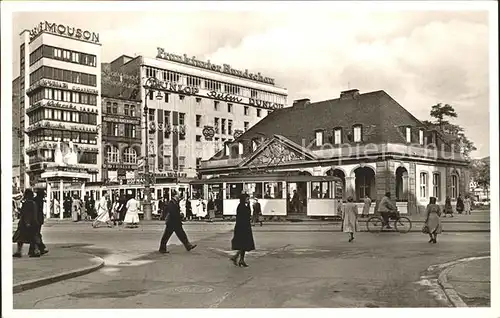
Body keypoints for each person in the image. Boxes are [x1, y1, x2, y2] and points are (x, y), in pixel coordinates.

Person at [13, 189, 41, 258]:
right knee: (34, 238)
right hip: (33, 222)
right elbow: (34, 214)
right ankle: (36, 251)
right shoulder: (34, 203)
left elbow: (26, 213)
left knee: (20, 238)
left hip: (25, 223)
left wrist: (27, 222)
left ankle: (19, 251)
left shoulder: (27, 203)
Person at [230, 194, 255, 267]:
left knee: (244, 244)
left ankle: (239, 258)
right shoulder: (241, 206)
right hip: (242, 227)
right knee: (243, 244)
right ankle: (239, 259)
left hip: (244, 227)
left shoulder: (243, 206)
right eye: (247, 199)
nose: (248, 200)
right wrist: (249, 206)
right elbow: (247, 215)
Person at [32, 189, 48, 255]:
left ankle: (39, 248)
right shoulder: (39, 200)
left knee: (36, 234)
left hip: (36, 218)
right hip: (39, 218)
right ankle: (41, 247)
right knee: (37, 233)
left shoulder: (35, 200)